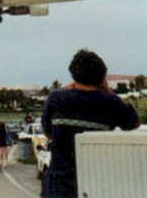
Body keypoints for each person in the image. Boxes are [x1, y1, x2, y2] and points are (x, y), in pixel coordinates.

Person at [41, 49, 140, 198]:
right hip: (96, 184)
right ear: (102, 77)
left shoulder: (56, 99)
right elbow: (134, 123)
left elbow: (48, 132)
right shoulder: (110, 102)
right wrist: (107, 90)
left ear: (73, 74)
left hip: (59, 186)